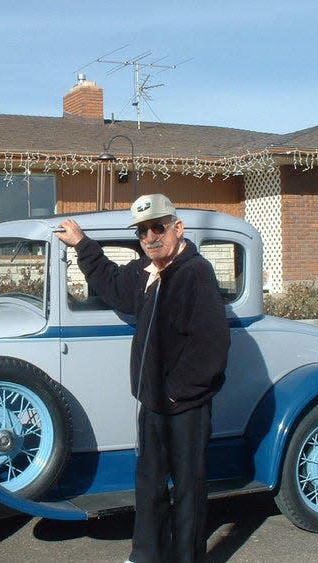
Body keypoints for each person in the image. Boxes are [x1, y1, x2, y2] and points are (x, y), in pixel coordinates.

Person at [56, 194, 230, 563]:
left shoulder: (195, 273)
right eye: (143, 231)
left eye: (158, 227)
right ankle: (146, 555)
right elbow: (112, 284)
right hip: (153, 403)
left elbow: (211, 344)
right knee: (149, 484)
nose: (150, 236)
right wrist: (83, 245)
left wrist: (175, 394)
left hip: (185, 405)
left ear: (177, 229)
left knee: (188, 490)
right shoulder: (146, 273)